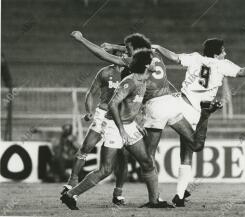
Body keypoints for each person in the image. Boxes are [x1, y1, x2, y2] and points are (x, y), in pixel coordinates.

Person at [72, 32, 221, 206]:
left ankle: (150, 196)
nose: (126, 53)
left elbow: (101, 54)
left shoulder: (135, 63)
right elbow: (142, 49)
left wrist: (82, 39)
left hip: (155, 107)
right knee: (195, 145)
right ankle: (206, 114)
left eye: (128, 49)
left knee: (146, 158)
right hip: (172, 101)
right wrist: (116, 46)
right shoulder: (155, 55)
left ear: (134, 50)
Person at [152, 38, 245, 206]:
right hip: (193, 110)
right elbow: (243, 71)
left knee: (187, 151)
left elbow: (174, 57)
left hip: (181, 103)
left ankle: (179, 195)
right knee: (194, 146)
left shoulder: (194, 57)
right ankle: (168, 194)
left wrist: (157, 46)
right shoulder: (222, 64)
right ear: (216, 54)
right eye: (223, 51)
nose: (225, 53)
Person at [60, 48, 174, 209]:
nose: (156, 62)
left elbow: (134, 105)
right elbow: (113, 104)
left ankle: (154, 201)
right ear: (147, 65)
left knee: (147, 162)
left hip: (129, 125)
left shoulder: (144, 80)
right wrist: (122, 130)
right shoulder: (130, 81)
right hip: (114, 125)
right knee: (106, 170)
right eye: (153, 60)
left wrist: (137, 123)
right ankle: (70, 195)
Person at [61, 47, 132, 205]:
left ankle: (118, 193)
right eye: (123, 55)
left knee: (122, 159)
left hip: (120, 118)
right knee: (86, 147)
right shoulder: (105, 72)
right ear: (115, 57)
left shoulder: (131, 73)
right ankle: (71, 183)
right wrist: (88, 111)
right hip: (102, 115)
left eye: (127, 54)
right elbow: (90, 93)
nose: (126, 56)